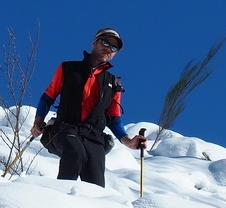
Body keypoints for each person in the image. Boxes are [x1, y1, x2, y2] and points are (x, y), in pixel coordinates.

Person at [30, 27, 147, 187]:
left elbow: (114, 119)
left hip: (94, 136)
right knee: (75, 153)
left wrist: (127, 141)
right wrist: (38, 122)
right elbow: (48, 97)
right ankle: (60, 199)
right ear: (94, 43)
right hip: (66, 127)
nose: (108, 48)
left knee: (95, 178)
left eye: (114, 47)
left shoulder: (114, 84)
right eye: (105, 42)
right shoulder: (67, 68)